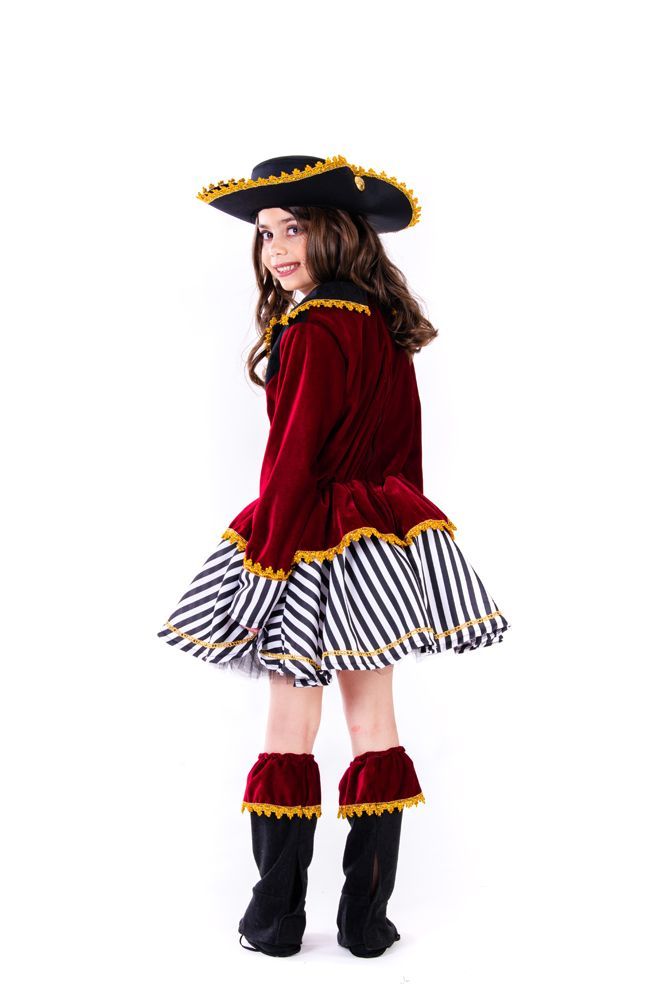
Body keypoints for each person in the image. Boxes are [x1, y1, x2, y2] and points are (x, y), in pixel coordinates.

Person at [156, 153, 511, 958]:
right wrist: (406, 543)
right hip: (379, 540)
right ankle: (366, 922)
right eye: (266, 234)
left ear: (339, 233)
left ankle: (274, 920)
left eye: (295, 229)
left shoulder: (313, 328)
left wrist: (266, 564)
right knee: (374, 723)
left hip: (308, 541)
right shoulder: (381, 326)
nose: (277, 248)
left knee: (290, 721)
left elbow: (290, 462)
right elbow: (405, 454)